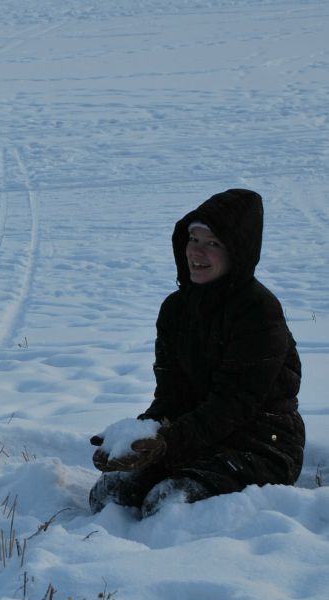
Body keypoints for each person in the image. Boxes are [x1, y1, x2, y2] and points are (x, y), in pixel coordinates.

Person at [89, 188, 305, 517]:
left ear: (238, 251)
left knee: (166, 503)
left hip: (262, 443)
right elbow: (171, 395)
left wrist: (166, 443)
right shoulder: (175, 309)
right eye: (194, 239)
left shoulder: (259, 312)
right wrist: (134, 438)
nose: (197, 252)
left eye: (213, 243)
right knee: (109, 494)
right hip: (196, 438)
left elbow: (233, 405)